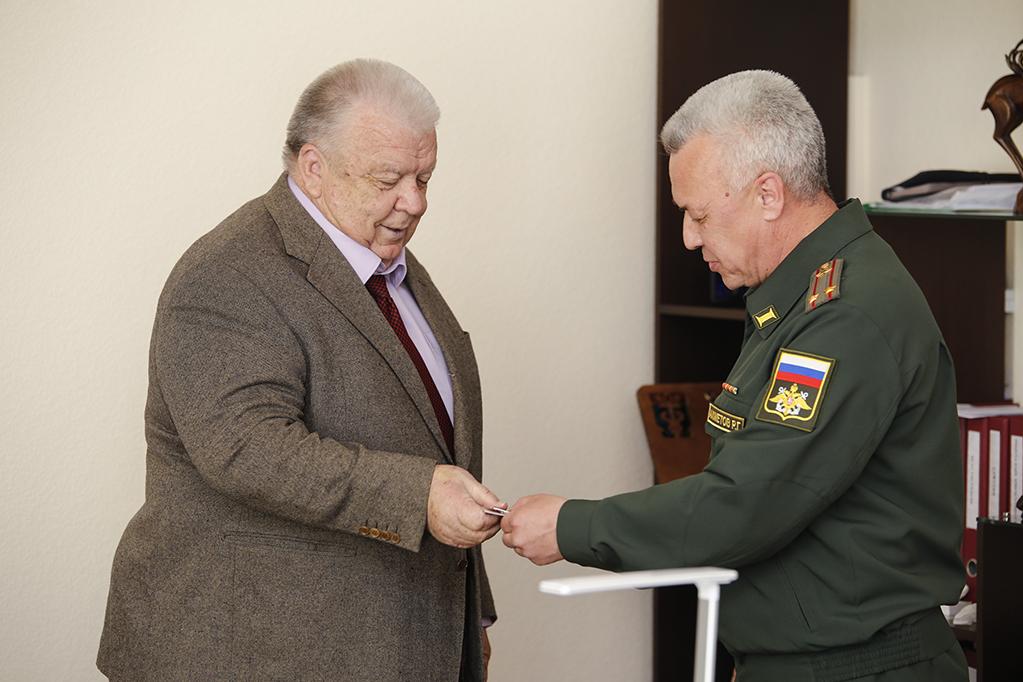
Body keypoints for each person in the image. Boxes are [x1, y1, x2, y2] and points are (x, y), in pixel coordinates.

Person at [501, 70, 969, 681]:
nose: (688, 238)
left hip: (858, 668)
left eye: (698, 214)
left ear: (768, 194)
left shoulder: (844, 314)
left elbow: (747, 502)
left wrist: (572, 525)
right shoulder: (795, 297)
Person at [98, 59, 502, 681]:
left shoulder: (385, 259)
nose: (416, 201)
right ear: (313, 168)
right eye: (389, 179)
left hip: (399, 641)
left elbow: (437, 439)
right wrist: (417, 495)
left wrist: (470, 618)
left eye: (424, 177)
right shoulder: (227, 272)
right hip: (253, 651)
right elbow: (246, 448)